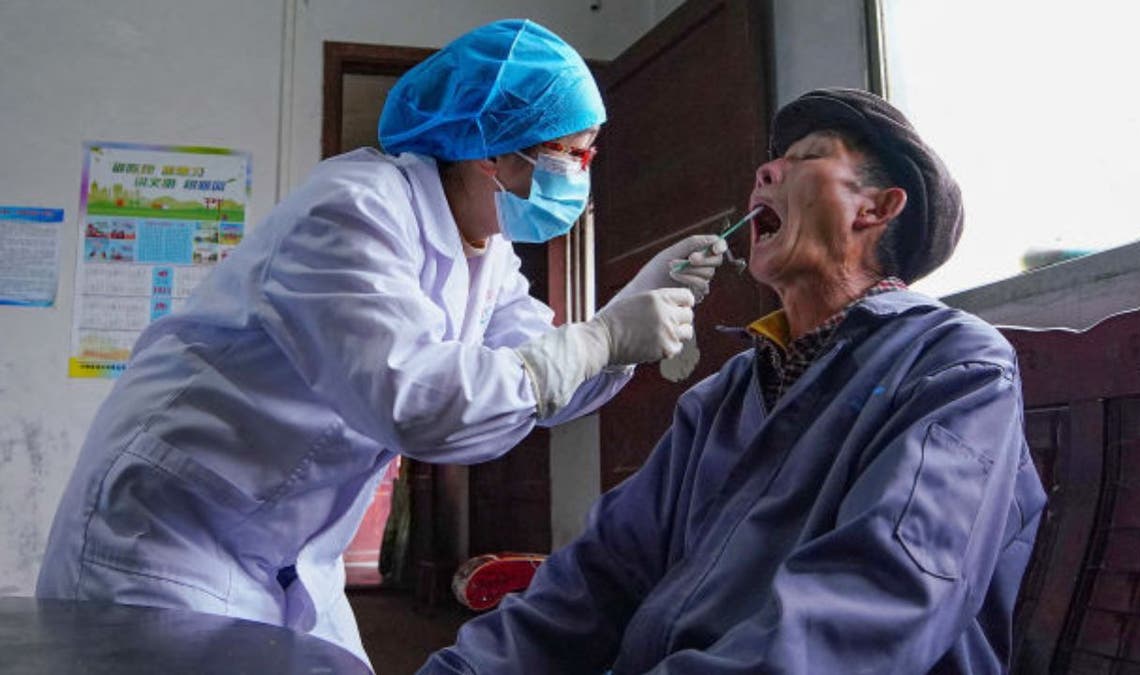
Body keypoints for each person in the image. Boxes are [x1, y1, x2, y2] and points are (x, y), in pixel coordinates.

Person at [36, 19, 729, 669]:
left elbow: (539, 376)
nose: (580, 175)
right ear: (492, 148)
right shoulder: (354, 210)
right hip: (168, 537)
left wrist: (628, 318)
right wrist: (603, 336)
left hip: (286, 551)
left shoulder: (488, 252)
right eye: (569, 154)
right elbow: (420, 402)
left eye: (588, 155)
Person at [420, 88, 1049, 674]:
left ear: (876, 208)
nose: (766, 172)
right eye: (771, 162)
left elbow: (872, 613)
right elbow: (599, 575)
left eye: (806, 160)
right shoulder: (727, 394)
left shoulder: (954, 366)